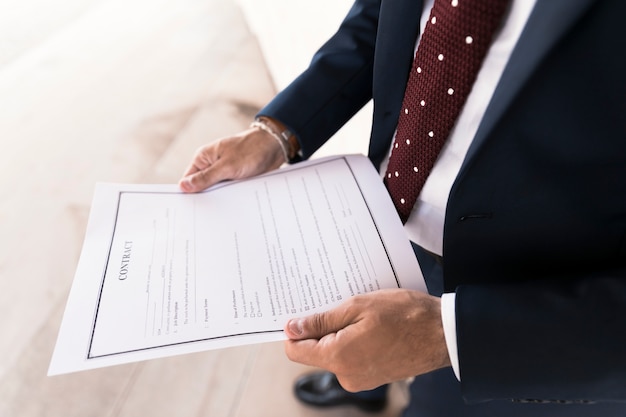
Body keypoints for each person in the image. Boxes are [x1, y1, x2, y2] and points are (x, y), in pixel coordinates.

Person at [178, 0, 626, 415]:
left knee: (435, 401)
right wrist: (278, 131)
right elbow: (378, 20)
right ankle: (364, 388)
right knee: (352, 329)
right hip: (386, 203)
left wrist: (450, 338)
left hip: (518, 293)